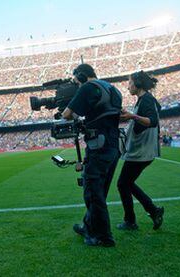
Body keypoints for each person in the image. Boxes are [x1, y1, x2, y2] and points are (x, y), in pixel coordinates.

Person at [62, 63, 122, 247]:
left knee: (93, 193)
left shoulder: (88, 87)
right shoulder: (113, 89)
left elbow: (66, 114)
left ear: (81, 76)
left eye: (75, 81)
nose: (76, 85)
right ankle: (88, 226)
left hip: (98, 146)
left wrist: (68, 106)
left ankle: (103, 236)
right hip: (114, 145)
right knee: (99, 191)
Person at [117, 70, 164, 231]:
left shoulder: (146, 100)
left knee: (123, 184)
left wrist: (132, 117)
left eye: (130, 83)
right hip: (143, 151)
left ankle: (132, 220)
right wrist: (130, 116)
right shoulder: (144, 100)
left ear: (137, 84)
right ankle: (152, 211)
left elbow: (152, 121)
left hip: (142, 152)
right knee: (125, 183)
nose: (128, 86)